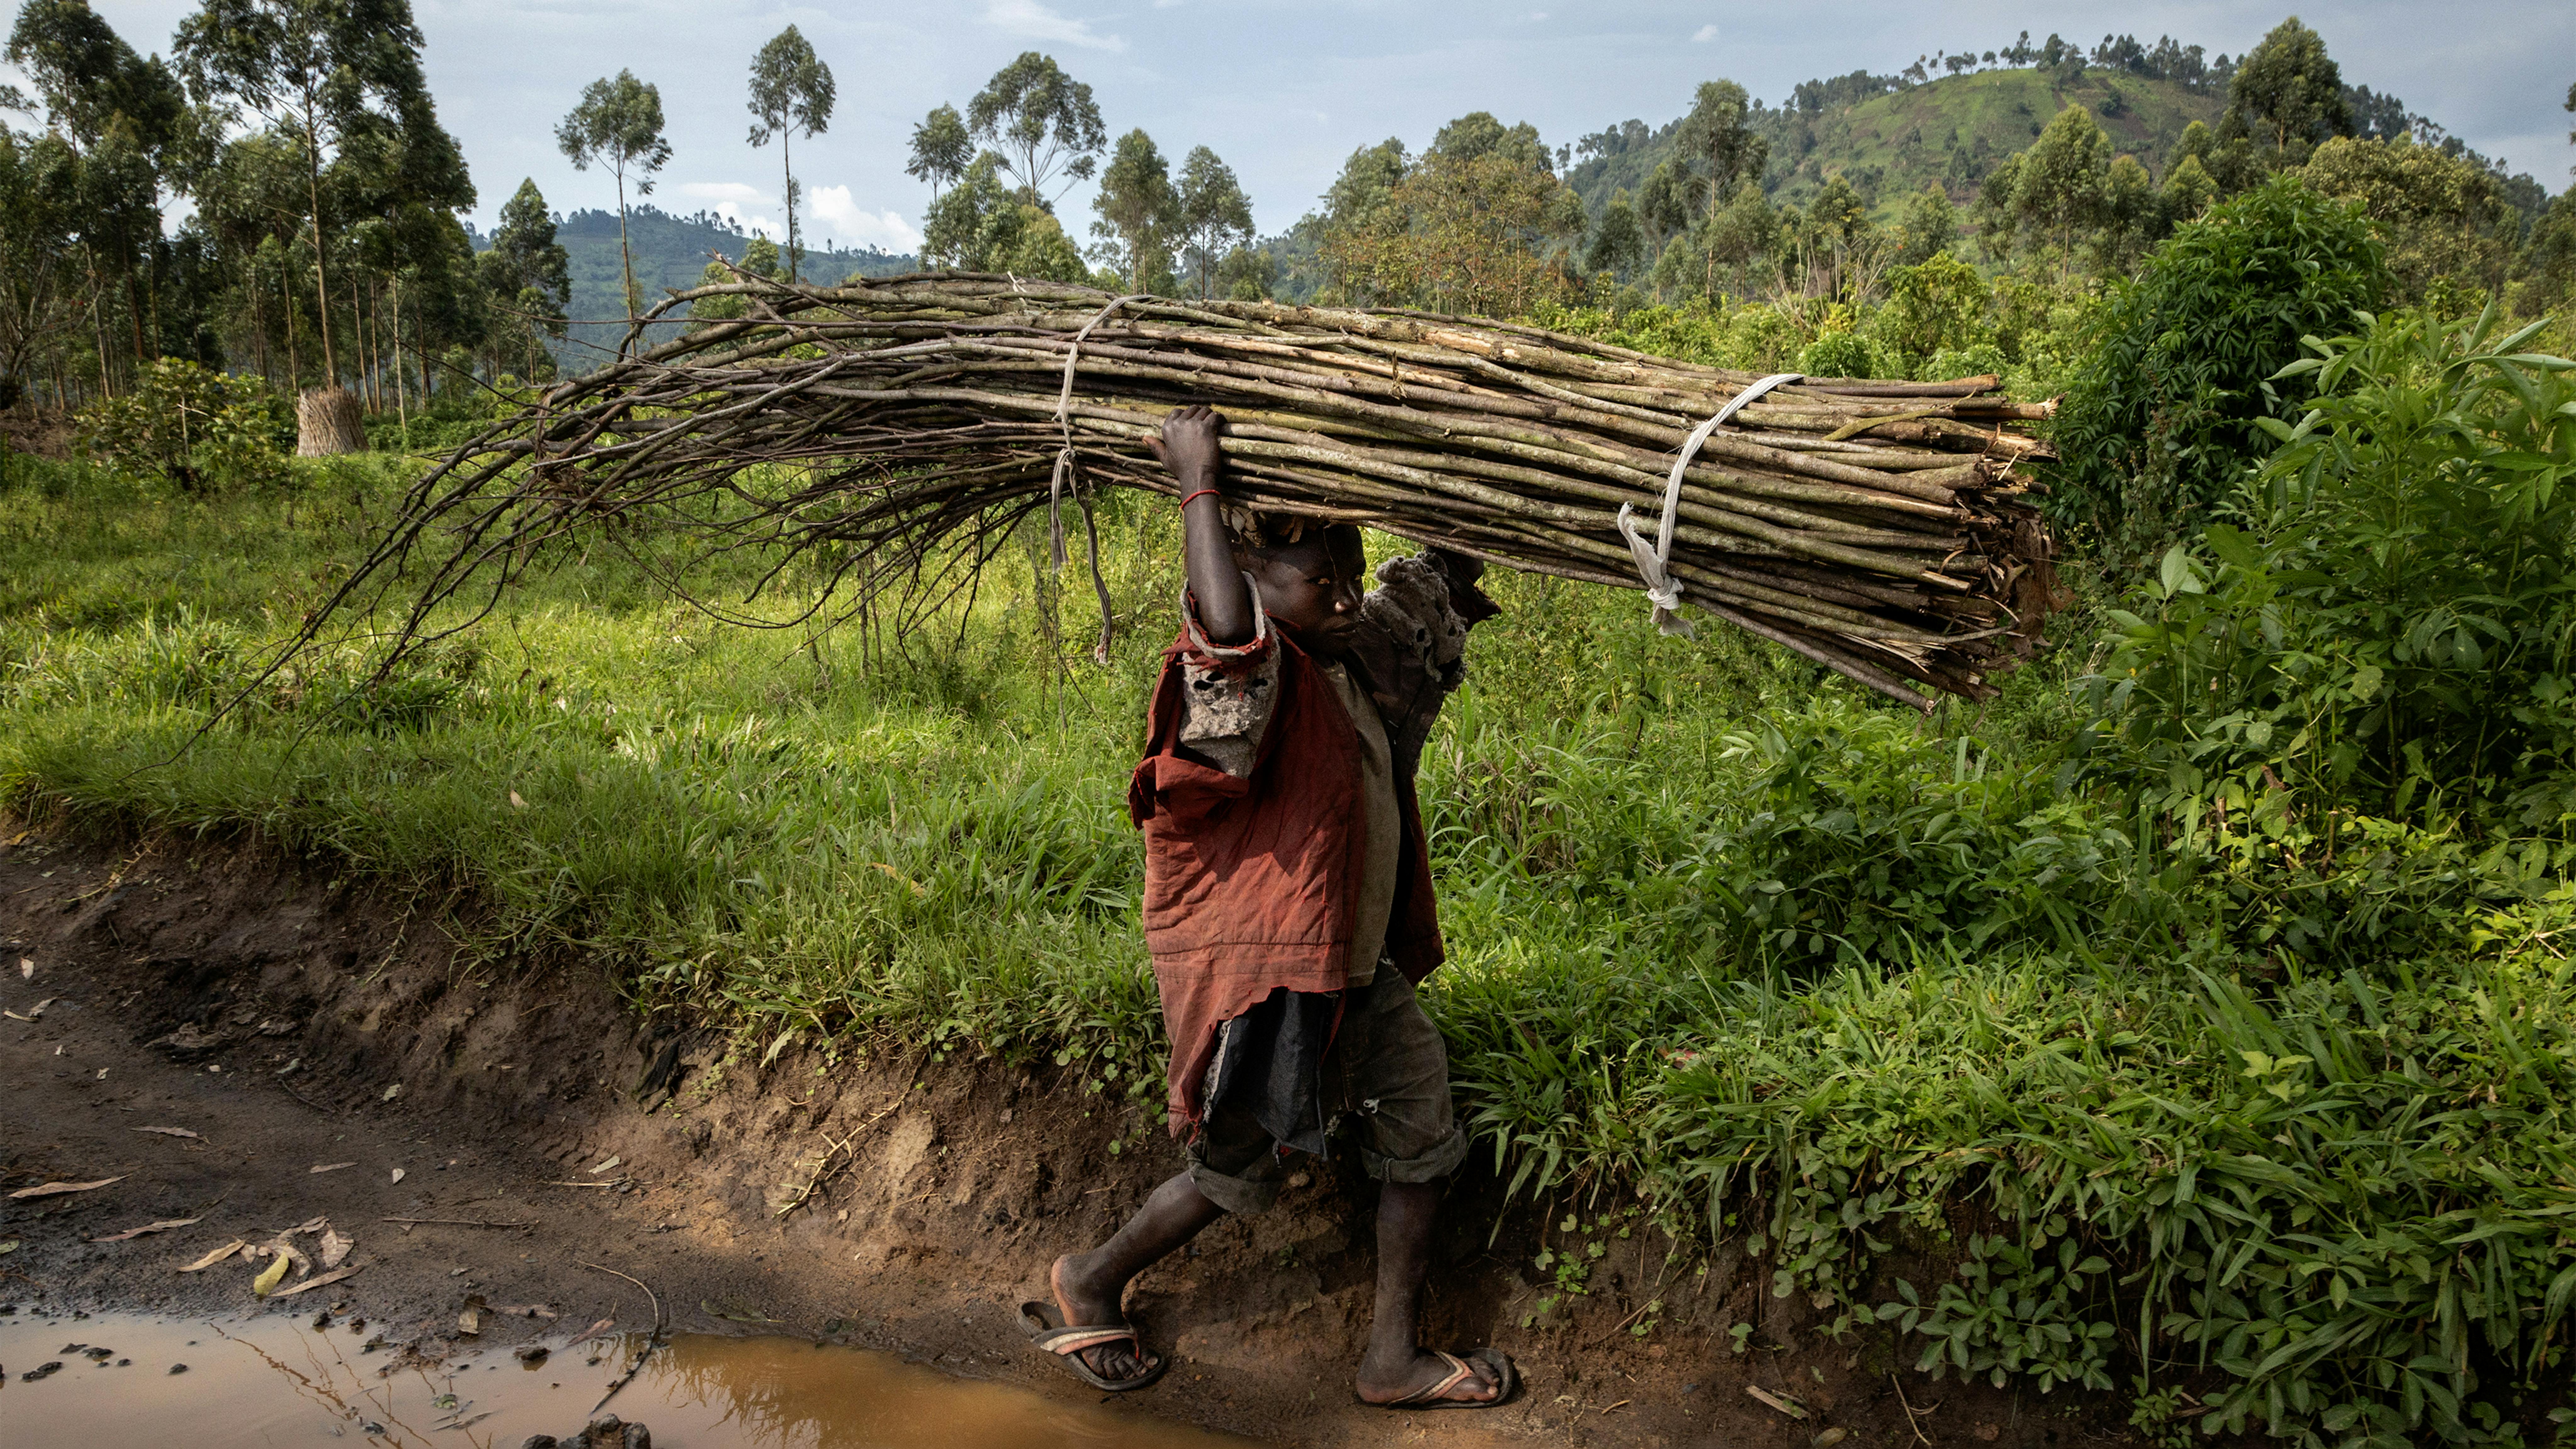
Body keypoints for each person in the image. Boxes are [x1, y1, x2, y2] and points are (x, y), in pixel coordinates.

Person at [1021, 404, 1513, 1410]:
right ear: (1249, 578)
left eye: (1346, 571)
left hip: (1348, 970)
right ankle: (1092, 1276)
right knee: (1235, 1169)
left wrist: (1472, 483)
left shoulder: (1347, 658)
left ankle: (1388, 1357)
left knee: (1418, 1132)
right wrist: (1199, 483)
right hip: (1278, 977)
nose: (1339, 592)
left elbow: (1422, 598)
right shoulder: (1246, 670)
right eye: (1315, 578)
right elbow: (1228, 637)